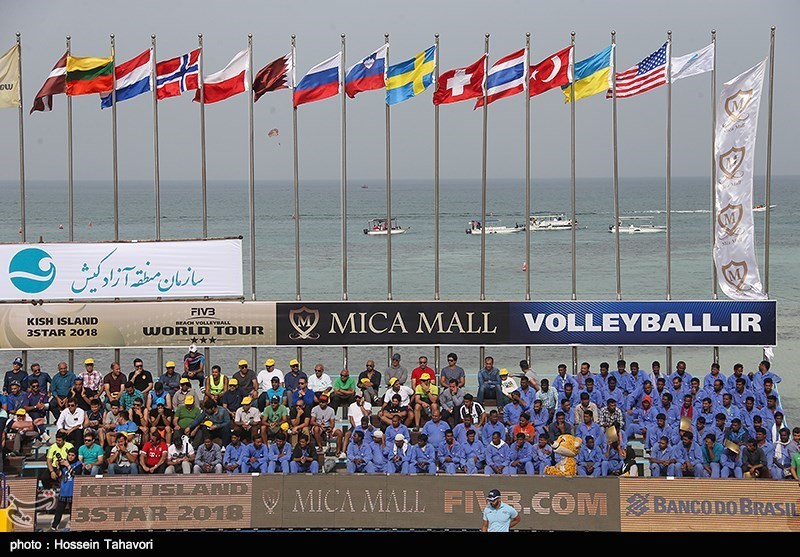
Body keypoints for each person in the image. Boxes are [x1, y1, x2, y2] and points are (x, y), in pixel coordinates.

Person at [50, 447, 82, 531]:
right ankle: (54, 525)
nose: (70, 457)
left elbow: (76, 474)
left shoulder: (78, 464)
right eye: (69, 455)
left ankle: (74, 526)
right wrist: (57, 467)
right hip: (64, 490)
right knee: (59, 510)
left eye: (72, 455)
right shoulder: (63, 464)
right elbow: (60, 475)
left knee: (73, 511)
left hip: (73, 490)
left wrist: (68, 465)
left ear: (76, 456)